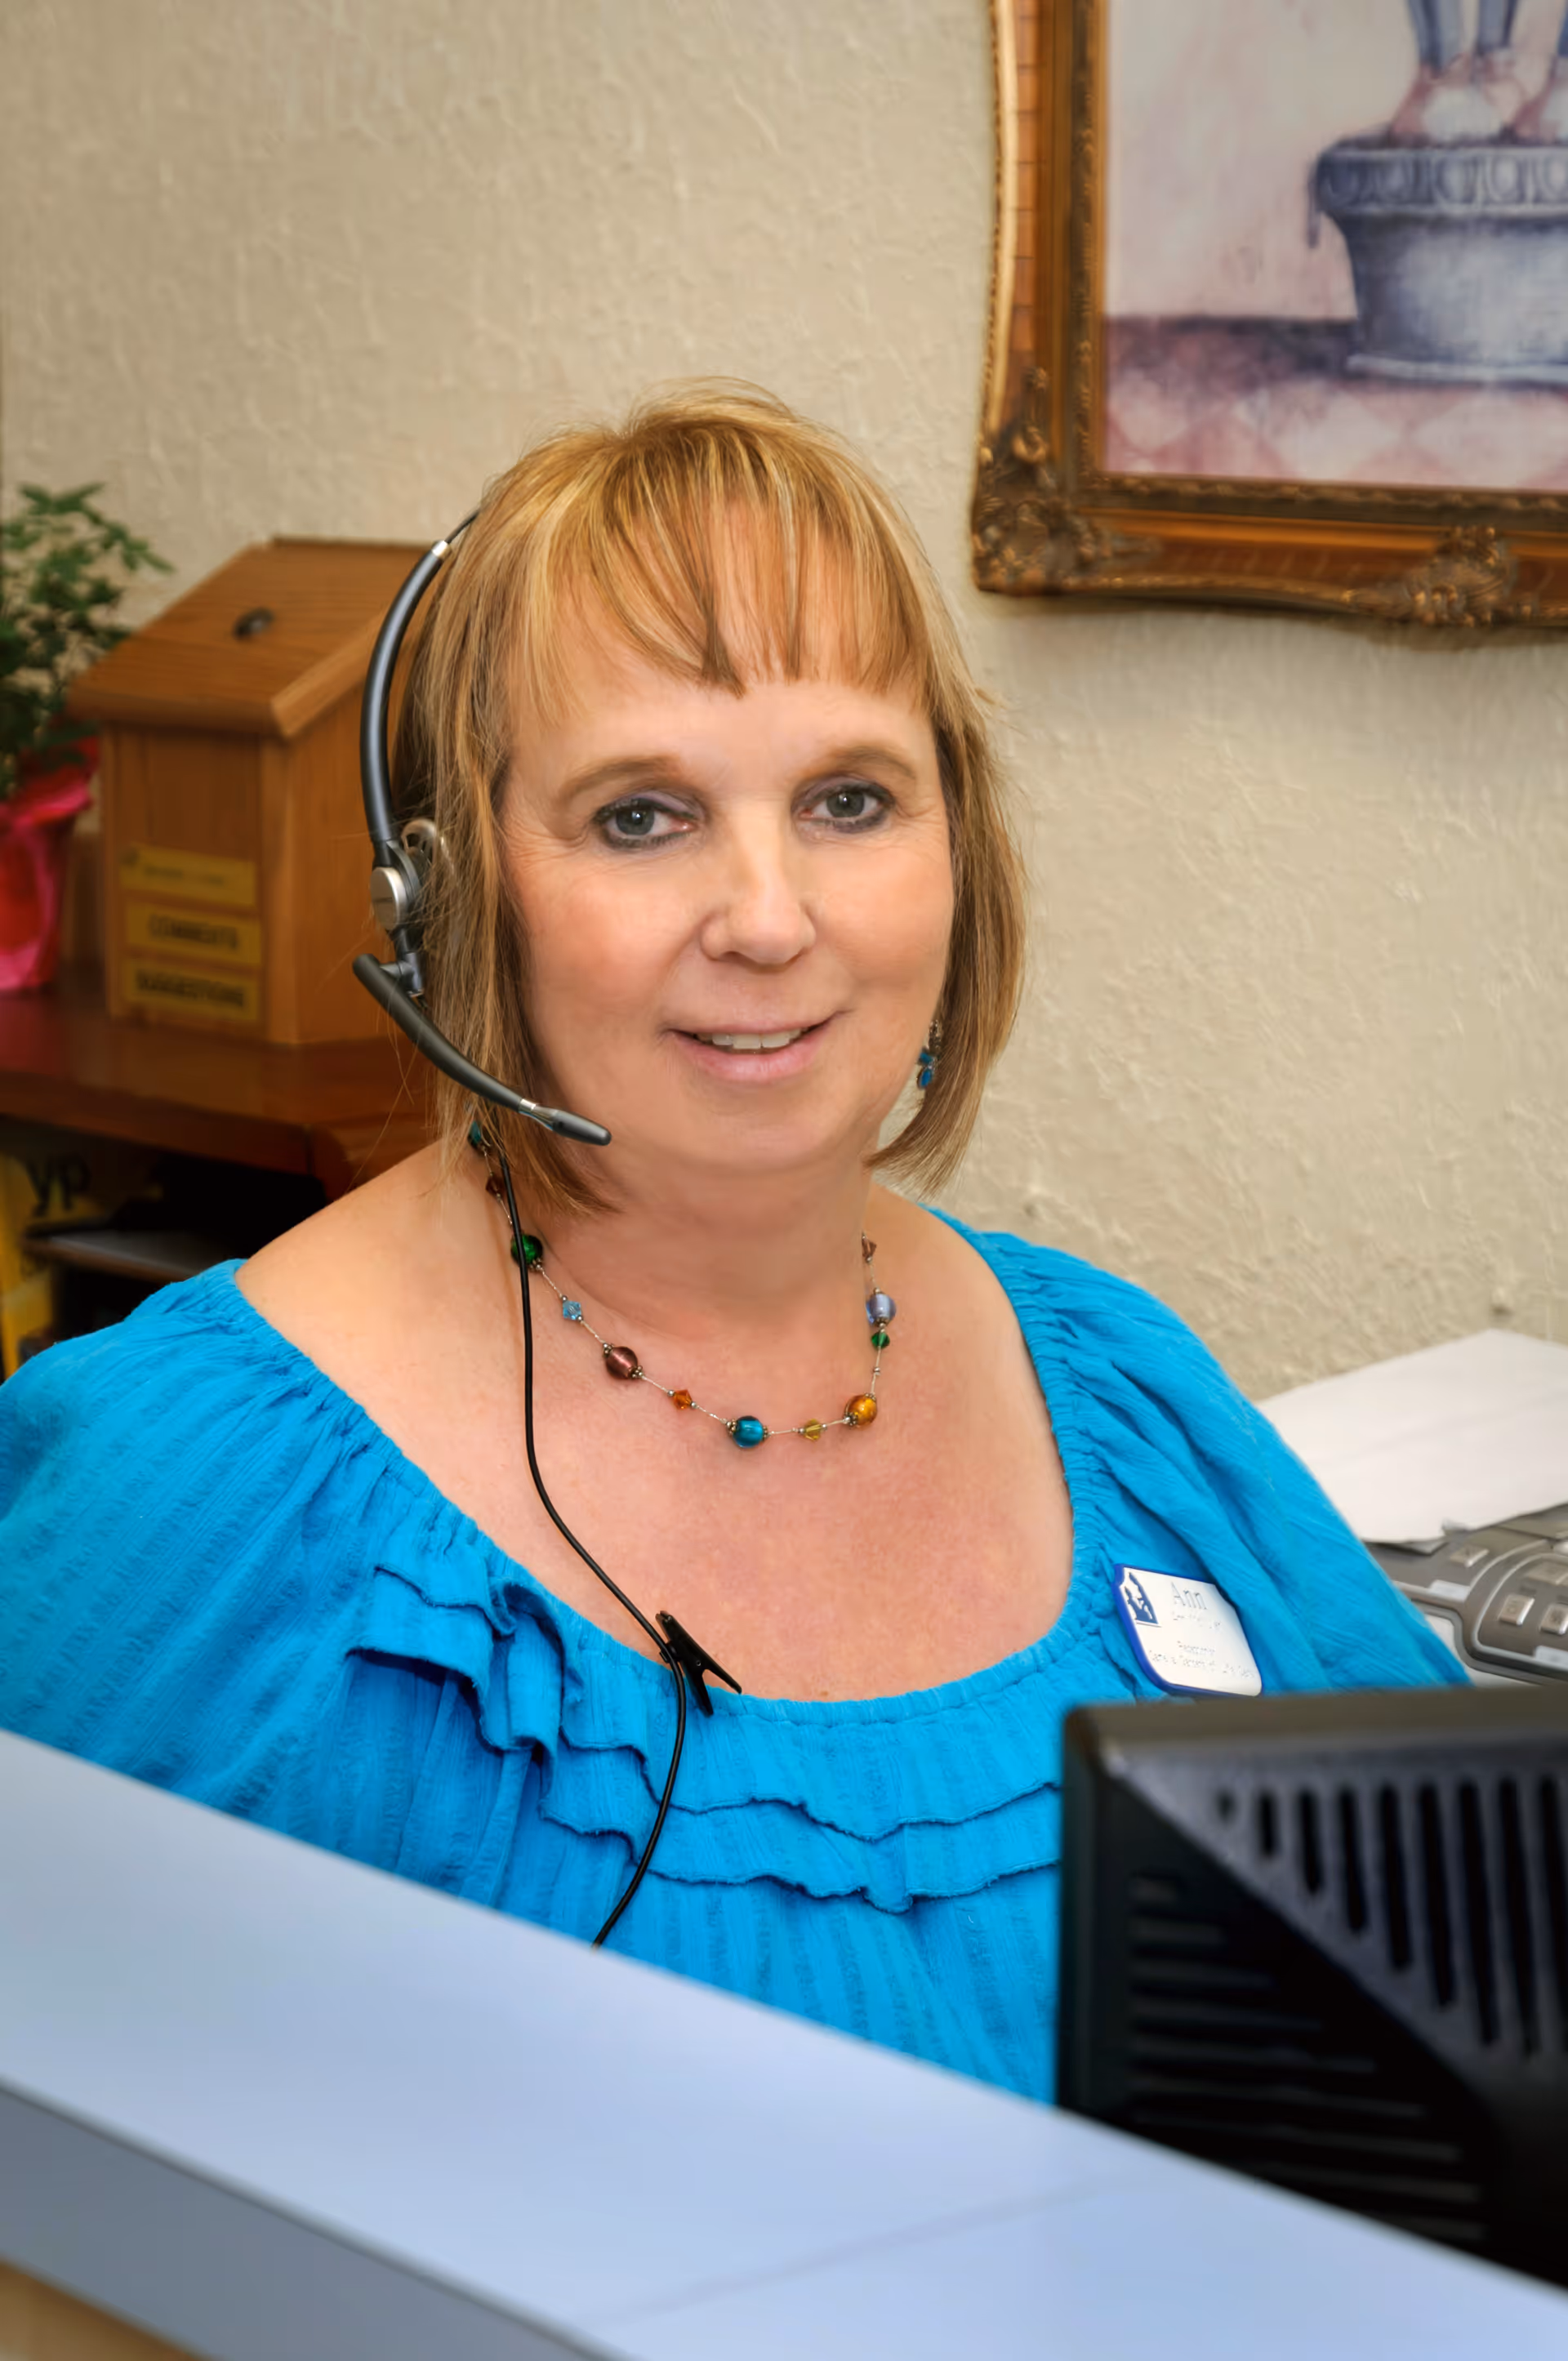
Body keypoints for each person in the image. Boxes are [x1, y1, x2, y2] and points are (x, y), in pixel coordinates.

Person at [0, 384, 1459, 2103]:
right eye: (642, 814)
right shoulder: (186, 1501)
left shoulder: (1125, 1394)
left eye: (850, 798)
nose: (772, 919)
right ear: (451, 897)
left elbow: (1474, 1975)